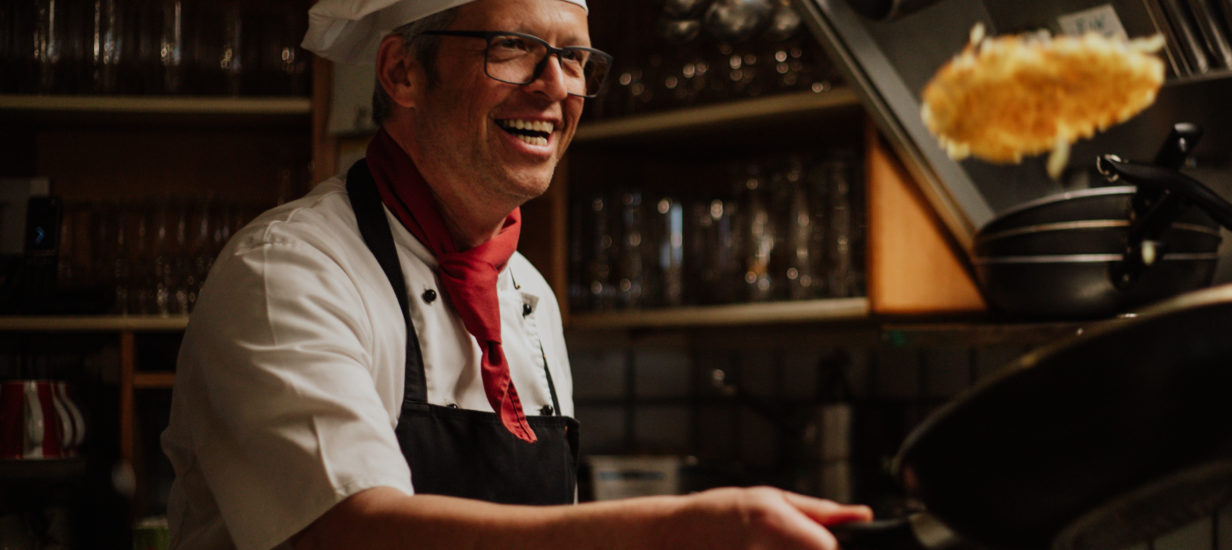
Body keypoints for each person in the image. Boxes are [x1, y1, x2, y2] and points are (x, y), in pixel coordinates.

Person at [159, 0, 872, 548]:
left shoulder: (528, 293)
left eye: (574, 59)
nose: (554, 88)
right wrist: (664, 531)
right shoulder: (288, 272)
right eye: (514, 50)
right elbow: (349, 532)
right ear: (402, 72)